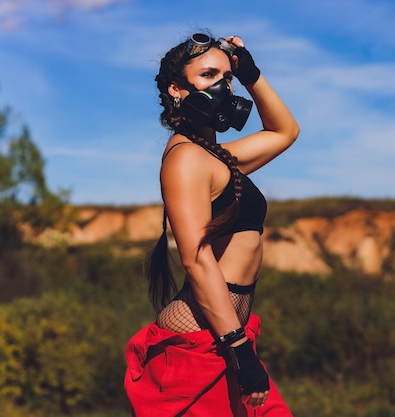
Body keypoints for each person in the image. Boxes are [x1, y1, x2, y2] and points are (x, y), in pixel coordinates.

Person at [124, 31, 299, 417]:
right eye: (208, 75)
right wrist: (238, 350)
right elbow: (197, 261)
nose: (223, 86)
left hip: (226, 338)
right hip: (200, 345)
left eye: (227, 77)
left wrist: (252, 75)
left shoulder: (215, 157)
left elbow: (284, 132)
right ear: (176, 89)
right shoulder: (185, 159)